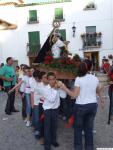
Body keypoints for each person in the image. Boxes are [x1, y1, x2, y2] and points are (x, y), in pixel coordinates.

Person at [60, 61, 104, 150]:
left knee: (78, 129)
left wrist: (64, 88)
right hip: (92, 106)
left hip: (81, 106)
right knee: (89, 129)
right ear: (90, 68)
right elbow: (97, 90)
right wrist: (102, 100)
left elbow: (74, 96)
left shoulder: (79, 79)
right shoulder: (94, 78)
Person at [43, 72, 66, 150]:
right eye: (50, 80)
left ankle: (53, 141)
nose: (52, 81)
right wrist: (56, 89)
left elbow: (64, 96)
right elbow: (52, 99)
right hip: (48, 110)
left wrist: (62, 86)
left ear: (56, 79)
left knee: (54, 126)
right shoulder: (45, 89)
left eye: (53, 79)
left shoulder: (57, 87)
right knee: (47, 128)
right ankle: (47, 145)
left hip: (56, 109)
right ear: (48, 80)